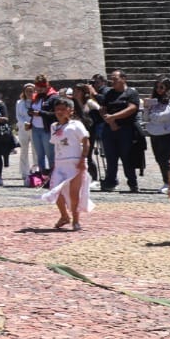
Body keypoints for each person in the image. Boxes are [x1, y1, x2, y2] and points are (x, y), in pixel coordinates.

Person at [42, 96, 93, 231]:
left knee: (74, 194)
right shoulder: (54, 126)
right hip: (60, 163)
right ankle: (64, 215)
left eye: (63, 109)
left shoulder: (76, 125)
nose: (60, 112)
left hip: (75, 163)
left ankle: (76, 220)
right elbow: (56, 145)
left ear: (70, 110)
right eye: (57, 109)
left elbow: (86, 142)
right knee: (55, 191)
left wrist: (83, 159)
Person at [97, 70, 143, 192]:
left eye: (115, 79)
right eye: (111, 79)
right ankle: (110, 182)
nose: (113, 82)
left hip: (126, 129)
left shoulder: (131, 93)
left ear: (124, 79)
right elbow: (103, 108)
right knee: (110, 157)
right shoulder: (109, 93)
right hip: (110, 129)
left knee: (127, 157)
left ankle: (132, 183)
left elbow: (132, 108)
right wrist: (111, 122)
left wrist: (114, 117)